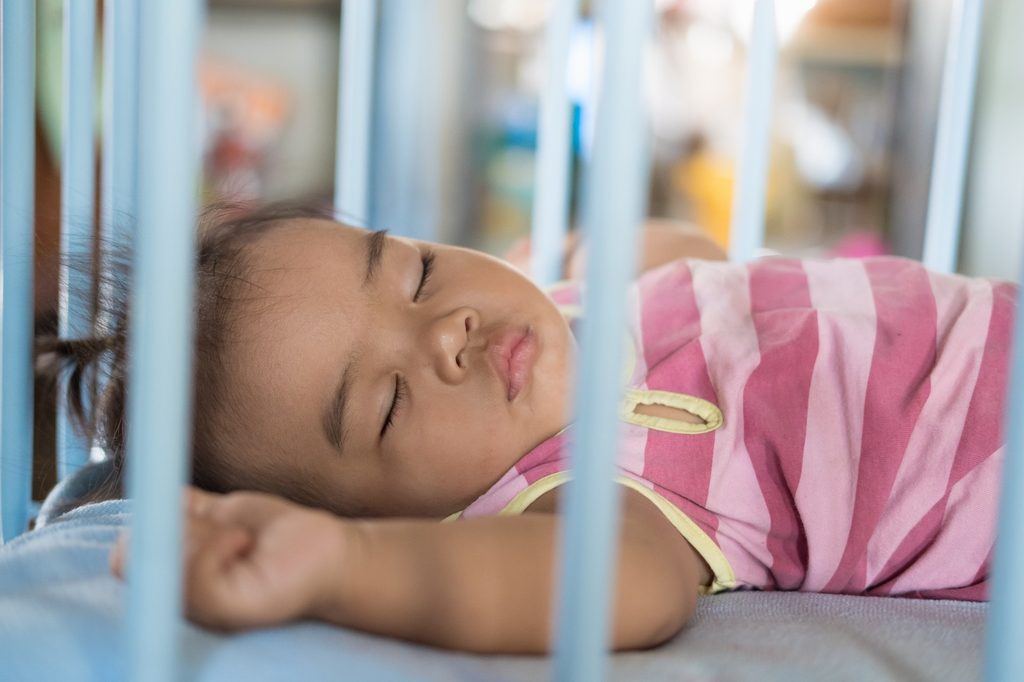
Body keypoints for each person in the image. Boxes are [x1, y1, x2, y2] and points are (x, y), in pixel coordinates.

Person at [41, 203, 1010, 653]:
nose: (446, 335)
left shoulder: (564, 310)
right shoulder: (582, 495)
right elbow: (600, 591)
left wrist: (592, 247)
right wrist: (342, 563)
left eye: (414, 270)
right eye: (387, 404)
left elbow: (684, 257)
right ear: (401, 513)